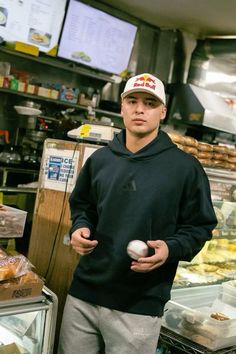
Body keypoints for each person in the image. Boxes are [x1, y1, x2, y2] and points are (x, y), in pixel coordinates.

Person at [58, 73, 217, 354]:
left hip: (139, 304)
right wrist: (79, 228)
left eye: (149, 103)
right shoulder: (100, 160)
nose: (139, 109)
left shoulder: (185, 168)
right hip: (84, 294)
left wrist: (169, 249)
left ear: (162, 111)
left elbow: (200, 227)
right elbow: (84, 207)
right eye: (132, 100)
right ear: (122, 107)